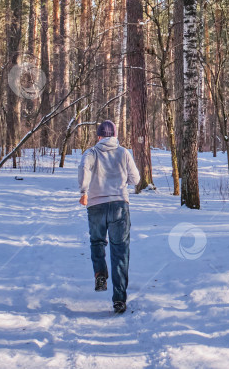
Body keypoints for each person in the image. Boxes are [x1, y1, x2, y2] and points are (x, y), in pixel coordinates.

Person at [78, 120, 140, 314]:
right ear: (115, 136)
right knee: (120, 251)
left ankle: (100, 273)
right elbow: (136, 179)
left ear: (98, 137)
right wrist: (124, 181)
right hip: (120, 205)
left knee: (97, 242)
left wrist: (84, 190)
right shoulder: (123, 153)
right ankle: (119, 300)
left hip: (96, 205)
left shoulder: (91, 153)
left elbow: (83, 169)